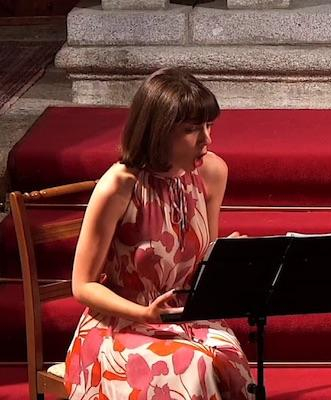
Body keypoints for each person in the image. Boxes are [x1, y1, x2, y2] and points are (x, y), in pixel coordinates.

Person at [64, 67, 254, 399]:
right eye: (192, 130)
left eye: (209, 126)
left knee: (229, 363)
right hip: (120, 325)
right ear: (159, 132)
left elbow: (200, 259)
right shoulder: (120, 185)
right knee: (197, 367)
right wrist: (145, 314)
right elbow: (83, 285)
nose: (206, 140)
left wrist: (223, 258)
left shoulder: (212, 172)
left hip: (186, 318)